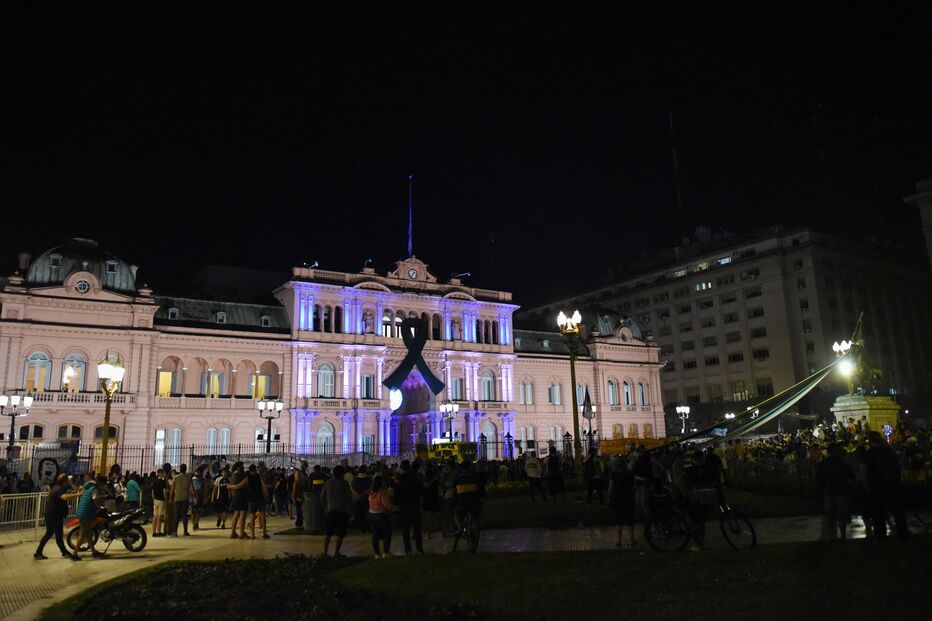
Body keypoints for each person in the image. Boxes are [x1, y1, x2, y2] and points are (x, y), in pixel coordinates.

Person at [864, 431, 909, 539]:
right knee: (897, 510)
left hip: (877, 485)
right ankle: (903, 533)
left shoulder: (870, 452)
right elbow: (897, 466)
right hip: (892, 484)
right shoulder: (889, 450)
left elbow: (864, 469)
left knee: (879, 512)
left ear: (870, 440)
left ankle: (880, 534)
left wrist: (866, 484)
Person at [35, 474, 83, 560]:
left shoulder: (55, 487)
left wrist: (73, 491)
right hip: (55, 516)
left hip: (49, 515)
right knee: (58, 536)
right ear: (64, 481)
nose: (68, 483)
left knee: (48, 534)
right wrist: (78, 495)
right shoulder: (60, 489)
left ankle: (38, 552)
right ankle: (64, 552)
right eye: (67, 481)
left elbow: (64, 494)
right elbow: (64, 497)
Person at [815, 443, 855, 541]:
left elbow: (818, 477)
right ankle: (842, 536)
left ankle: (831, 536)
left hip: (829, 491)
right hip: (841, 491)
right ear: (836, 451)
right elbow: (851, 475)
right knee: (842, 515)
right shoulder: (841, 462)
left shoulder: (825, 462)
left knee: (829, 515)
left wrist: (824, 486)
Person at [321, 465, 352, 556]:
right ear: (342, 473)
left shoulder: (328, 482)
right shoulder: (344, 483)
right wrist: (351, 509)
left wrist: (325, 508)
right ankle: (336, 552)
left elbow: (322, 496)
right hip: (342, 511)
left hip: (330, 510)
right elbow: (348, 497)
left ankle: (325, 552)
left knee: (328, 533)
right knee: (340, 533)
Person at [393, 460, 424, 554]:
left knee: (405, 530)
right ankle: (419, 549)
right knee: (417, 529)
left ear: (402, 468)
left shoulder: (399, 479)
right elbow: (420, 491)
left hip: (404, 506)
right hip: (414, 505)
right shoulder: (415, 477)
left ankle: (408, 550)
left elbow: (396, 494)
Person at [72, 474, 105, 560]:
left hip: (83, 512)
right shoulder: (94, 489)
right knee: (82, 535)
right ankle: (74, 554)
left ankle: (93, 551)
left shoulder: (87, 488)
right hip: (86, 513)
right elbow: (94, 499)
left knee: (89, 534)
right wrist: (99, 504)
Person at [608, 456, 637, 548]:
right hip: (628, 499)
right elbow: (634, 488)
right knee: (629, 520)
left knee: (618, 520)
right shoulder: (630, 474)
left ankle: (618, 540)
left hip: (617, 499)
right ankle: (631, 540)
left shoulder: (614, 474)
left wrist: (609, 498)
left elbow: (610, 488)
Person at [367, 474, 398, 558]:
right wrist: (394, 508)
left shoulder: (371, 491)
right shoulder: (382, 491)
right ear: (382, 483)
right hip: (380, 514)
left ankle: (377, 554)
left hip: (371, 514)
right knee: (387, 533)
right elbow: (386, 505)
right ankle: (385, 552)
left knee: (375, 534)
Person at [452, 460, 482, 536]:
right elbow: (479, 488)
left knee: (455, 514)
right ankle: (472, 529)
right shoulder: (475, 476)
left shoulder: (457, 477)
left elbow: (454, 491)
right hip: (473, 501)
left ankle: (461, 528)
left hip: (462, 502)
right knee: (476, 514)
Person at [169, 464, 195, 536]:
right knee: (184, 515)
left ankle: (175, 532)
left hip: (177, 498)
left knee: (176, 515)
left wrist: (170, 498)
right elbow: (191, 488)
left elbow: (172, 489)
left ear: (180, 469)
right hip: (185, 497)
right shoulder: (189, 477)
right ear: (186, 469)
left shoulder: (176, 478)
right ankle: (185, 531)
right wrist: (194, 497)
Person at [227, 462, 249, 539]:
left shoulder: (233, 475)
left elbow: (231, 486)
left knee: (236, 514)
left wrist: (230, 486)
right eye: (241, 465)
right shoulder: (241, 475)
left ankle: (233, 532)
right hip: (242, 496)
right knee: (243, 514)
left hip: (235, 497)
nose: (243, 467)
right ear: (238, 466)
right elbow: (240, 485)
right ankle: (242, 533)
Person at [151, 469, 168, 537]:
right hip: (161, 500)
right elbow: (164, 492)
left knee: (155, 516)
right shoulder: (163, 482)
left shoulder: (154, 481)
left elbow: (152, 492)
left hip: (155, 500)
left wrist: (154, 499)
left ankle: (154, 532)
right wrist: (166, 499)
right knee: (159, 516)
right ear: (161, 473)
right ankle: (159, 531)